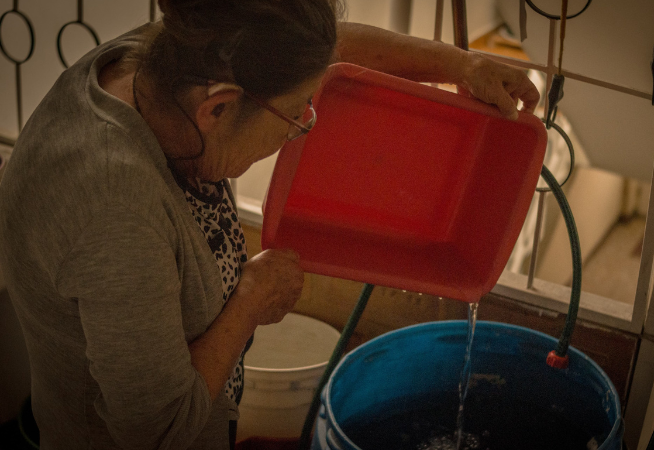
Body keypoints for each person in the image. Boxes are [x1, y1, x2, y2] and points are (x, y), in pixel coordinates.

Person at [0, 1, 539, 449]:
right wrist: (250, 302)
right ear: (218, 108)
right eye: (295, 114)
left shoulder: (165, 57)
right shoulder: (116, 215)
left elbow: (327, 50)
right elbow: (155, 430)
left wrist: (460, 66)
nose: (302, 127)